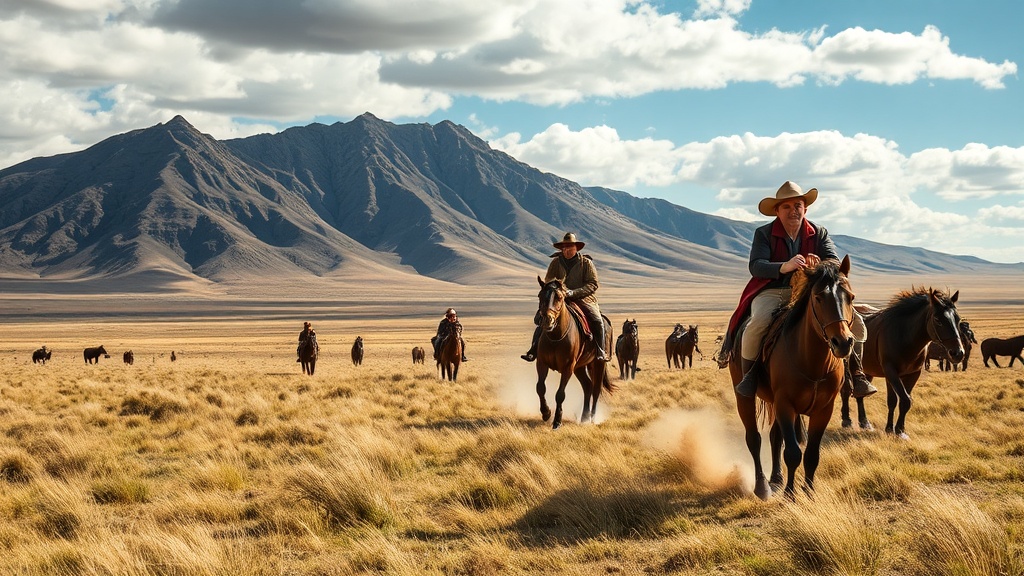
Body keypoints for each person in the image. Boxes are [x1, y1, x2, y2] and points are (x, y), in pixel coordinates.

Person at [727, 181, 876, 398]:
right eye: (786, 206)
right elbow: (756, 265)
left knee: (858, 325)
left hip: (811, 294)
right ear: (777, 211)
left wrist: (820, 266)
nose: (793, 210)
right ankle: (750, 377)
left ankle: (858, 374)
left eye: (797, 205)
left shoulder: (818, 232)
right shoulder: (764, 234)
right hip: (773, 291)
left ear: (805, 209)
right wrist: (784, 266)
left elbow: (833, 261)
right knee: (757, 324)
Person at [521, 232, 608, 362]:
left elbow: (593, 284)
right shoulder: (556, 262)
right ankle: (533, 349)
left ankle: (600, 351)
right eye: (564, 247)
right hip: (559, 298)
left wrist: (574, 293)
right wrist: (559, 292)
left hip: (583, 298)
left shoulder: (586, 263)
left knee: (597, 320)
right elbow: (549, 280)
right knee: (542, 317)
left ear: (576, 248)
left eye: (569, 247)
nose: (566, 250)